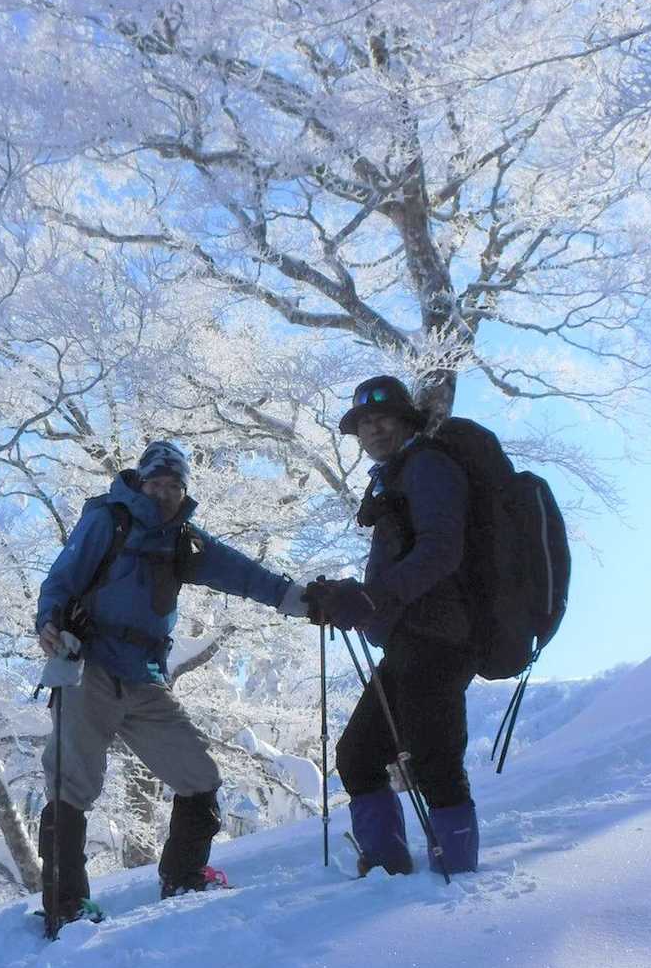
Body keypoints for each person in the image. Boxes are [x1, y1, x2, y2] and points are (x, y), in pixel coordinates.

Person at [36, 439, 309, 926]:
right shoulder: (109, 520)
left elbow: (242, 573)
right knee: (71, 783)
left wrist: (300, 600)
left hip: (144, 678)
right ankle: (66, 906)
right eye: (156, 484)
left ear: (184, 491)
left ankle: (184, 877)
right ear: (141, 484)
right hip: (88, 667)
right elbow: (62, 578)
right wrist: (49, 622)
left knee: (198, 775)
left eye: (173, 486)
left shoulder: (184, 540)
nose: (163, 494)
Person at [306, 376, 480, 877]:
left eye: (383, 418)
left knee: (434, 760)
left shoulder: (427, 466)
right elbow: (404, 558)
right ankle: (386, 873)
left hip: (442, 635)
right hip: (408, 638)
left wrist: (372, 597)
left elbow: (442, 550)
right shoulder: (396, 476)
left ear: (407, 420)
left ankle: (458, 879)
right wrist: (348, 595)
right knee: (358, 756)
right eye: (364, 424)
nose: (373, 429)